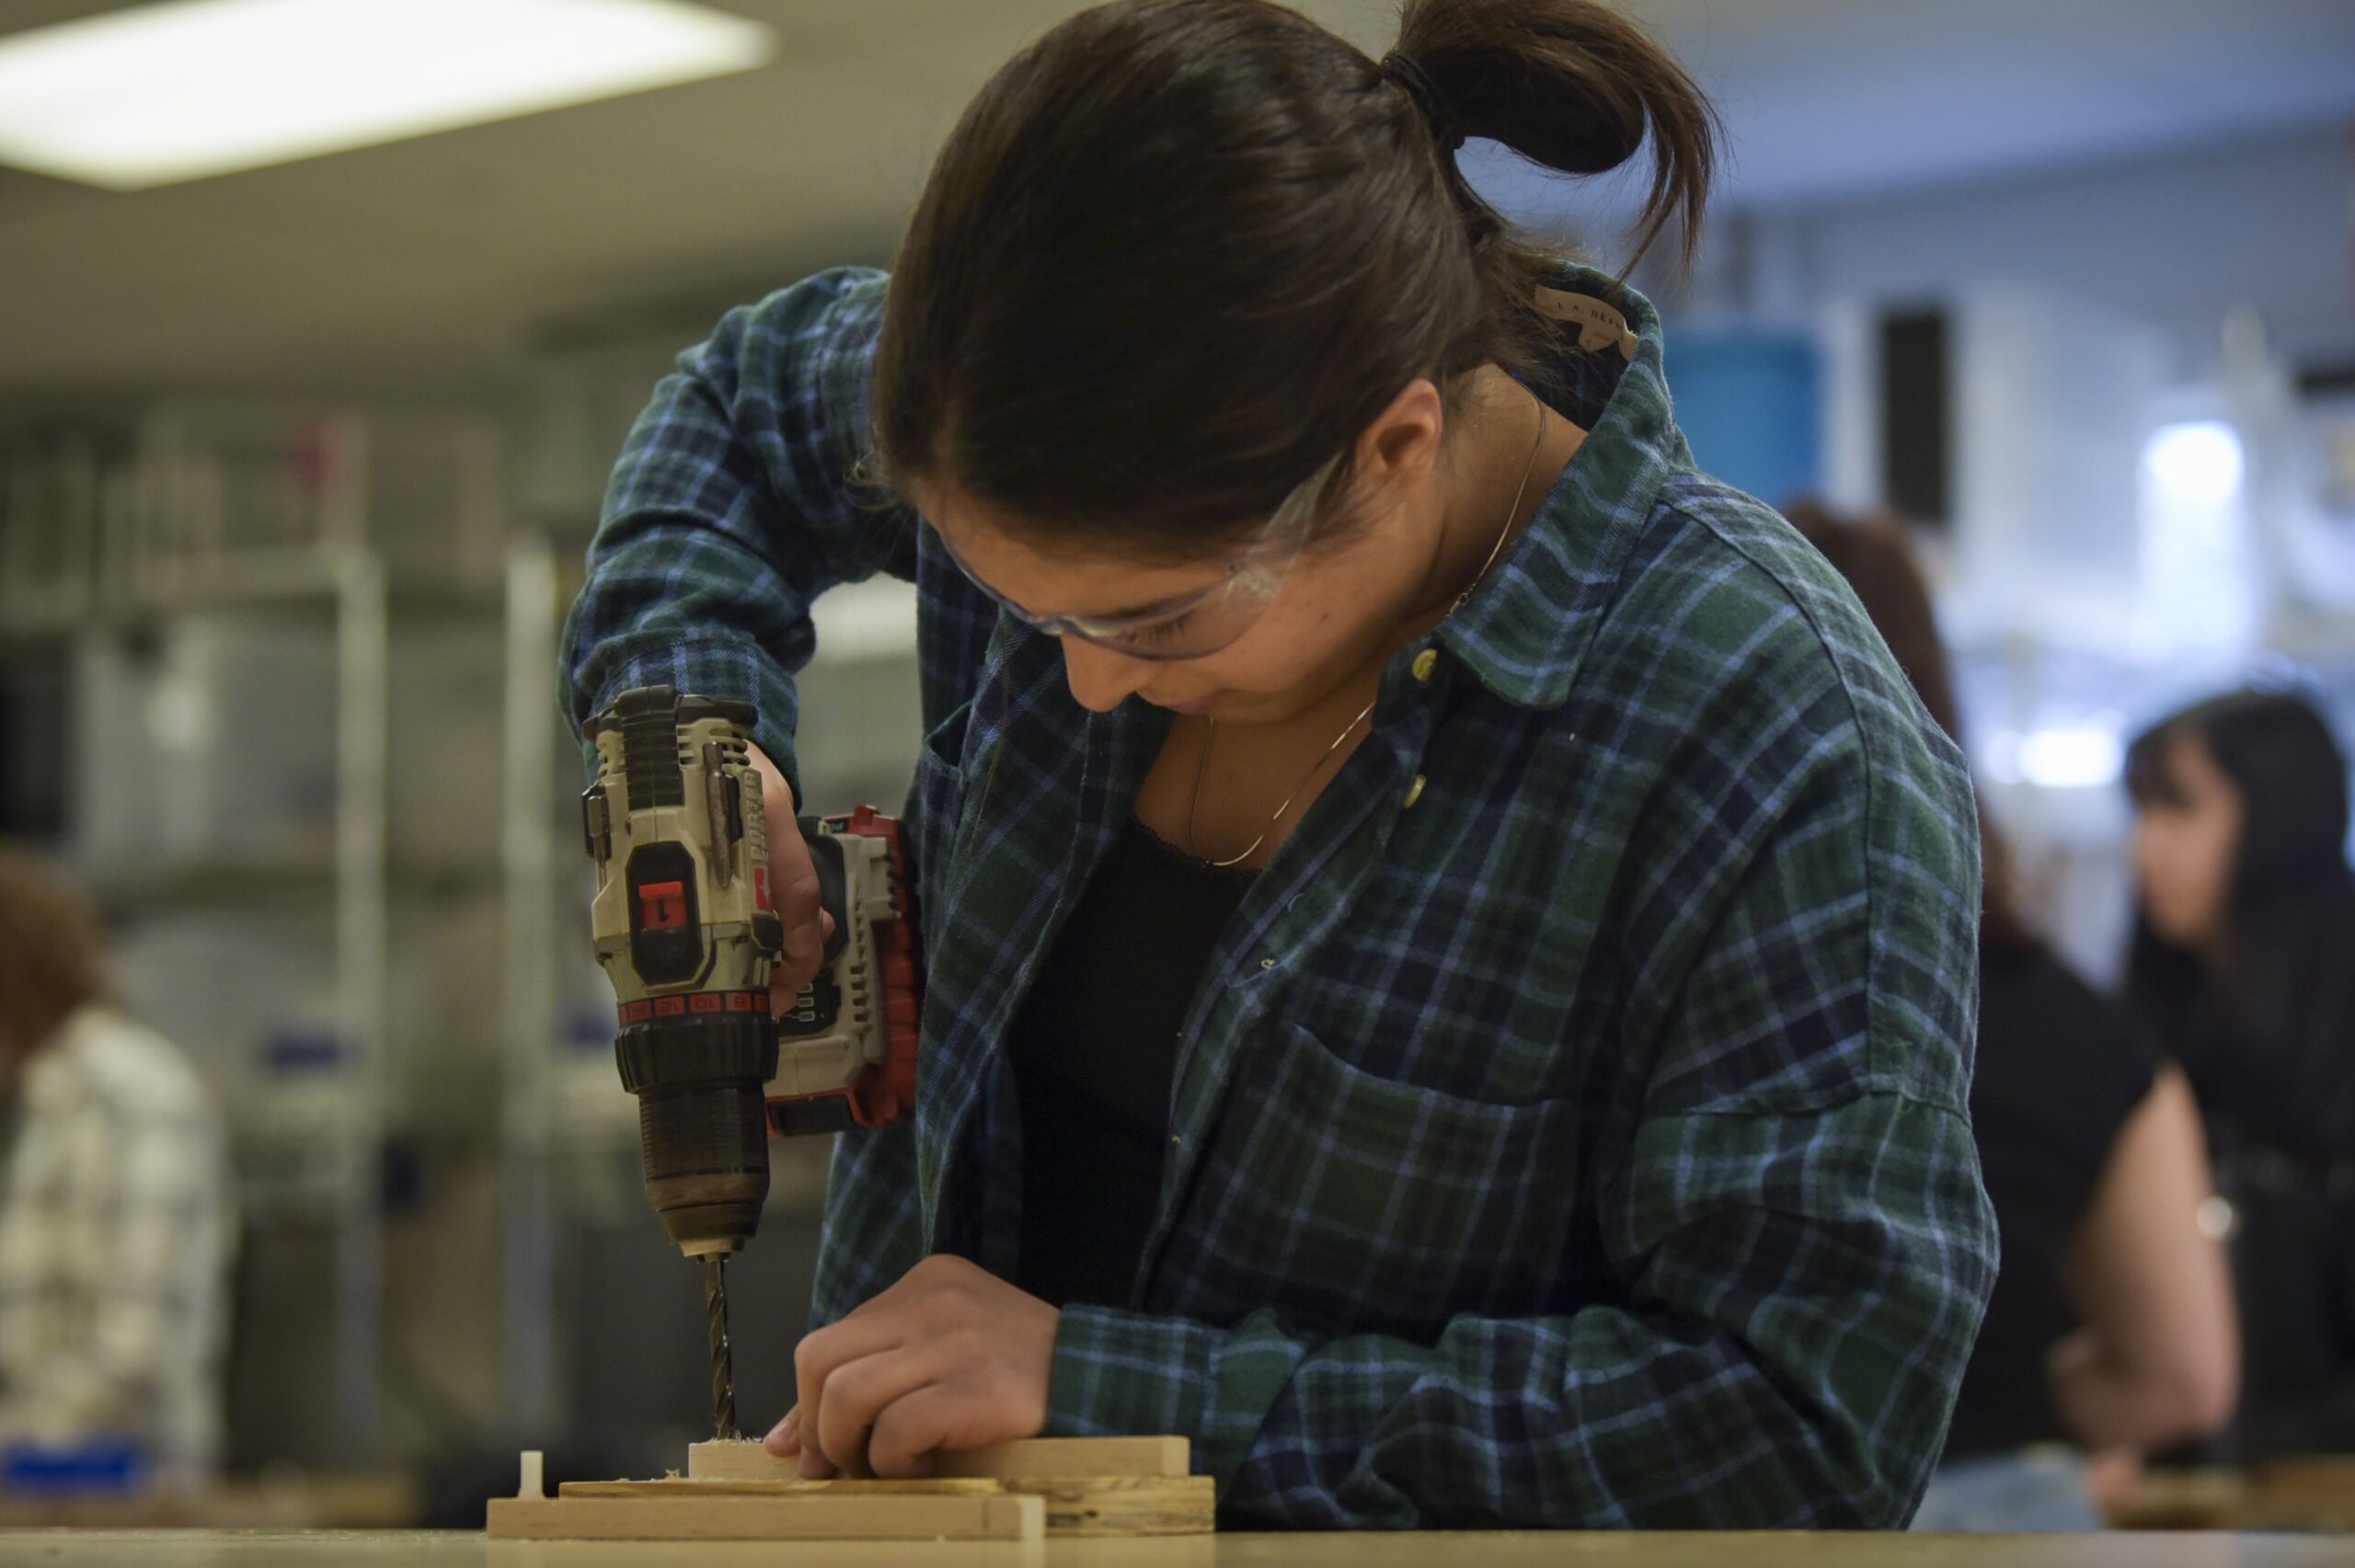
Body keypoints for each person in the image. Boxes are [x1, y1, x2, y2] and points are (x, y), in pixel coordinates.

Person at [563, 0, 1996, 1528]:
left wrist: (1115, 1400)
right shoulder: (1055, 424)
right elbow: (737, 408)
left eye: (1157, 619)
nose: (1085, 682)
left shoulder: (1766, 733)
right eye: (1021, 605)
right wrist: (698, 749)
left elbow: (1800, 1431)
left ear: (1394, 449)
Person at [1788, 504, 2236, 1531]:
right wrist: (2011, 1414)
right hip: (2002, 1514)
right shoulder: (2077, 1032)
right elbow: (2184, 1376)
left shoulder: (1653, 989)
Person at [2124, 690, 2355, 1459]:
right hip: (2194, 1467)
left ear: (2277, 815)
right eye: (2140, 810)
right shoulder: (2148, 1013)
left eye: (2179, 809)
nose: (2145, 846)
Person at [0, 843, 236, 1488]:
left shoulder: (133, 1092)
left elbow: (139, 1349)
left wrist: (17, 1442)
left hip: (125, 1506)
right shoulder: (36, 1102)